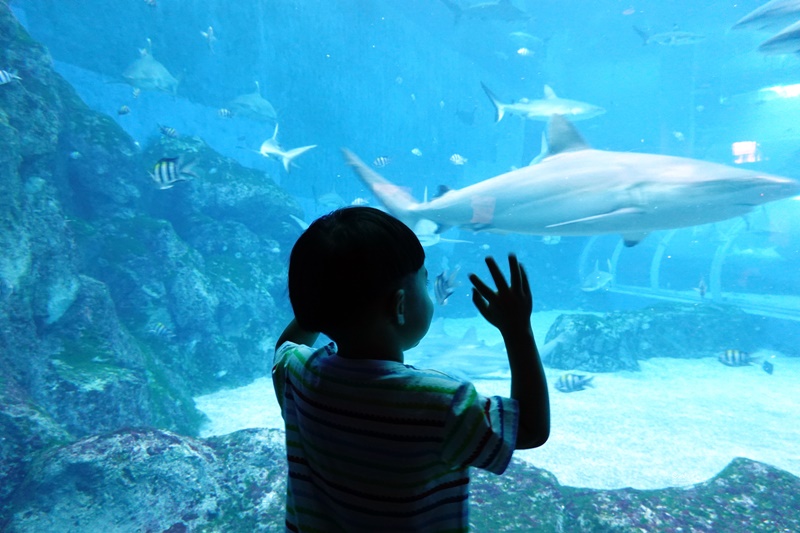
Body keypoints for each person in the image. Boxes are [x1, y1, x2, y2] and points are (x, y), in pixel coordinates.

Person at [272, 206, 550, 532]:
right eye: (425, 281)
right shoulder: (441, 402)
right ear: (400, 305)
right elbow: (531, 429)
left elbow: (284, 348)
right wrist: (518, 331)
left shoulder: (299, 374)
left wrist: (320, 300)